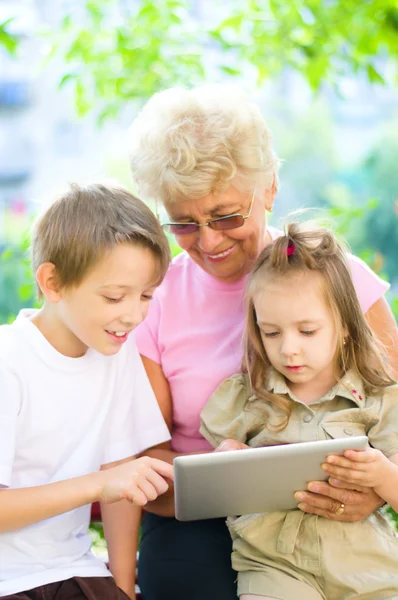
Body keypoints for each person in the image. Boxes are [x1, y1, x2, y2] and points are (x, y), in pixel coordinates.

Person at [128, 84, 398, 600]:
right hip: (202, 520)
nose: (208, 240)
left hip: (341, 514)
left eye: (227, 215)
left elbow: (394, 403)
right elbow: (147, 456)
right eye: (184, 222)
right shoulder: (153, 300)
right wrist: (221, 479)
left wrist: (376, 493)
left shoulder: (341, 280)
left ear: (269, 188)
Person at [200, 222, 398, 600]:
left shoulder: (378, 397)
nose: (289, 349)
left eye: (307, 331)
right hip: (274, 567)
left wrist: (383, 474)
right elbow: (210, 486)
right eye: (271, 333)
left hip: (366, 570)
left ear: (343, 326)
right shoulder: (246, 396)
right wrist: (225, 462)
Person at [0, 183, 174, 599]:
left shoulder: (117, 354)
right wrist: (99, 484)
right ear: (53, 282)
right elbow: (110, 482)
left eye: (146, 295)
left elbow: (122, 484)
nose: (133, 315)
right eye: (115, 297)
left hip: (73, 570)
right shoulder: (9, 361)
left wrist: (123, 588)